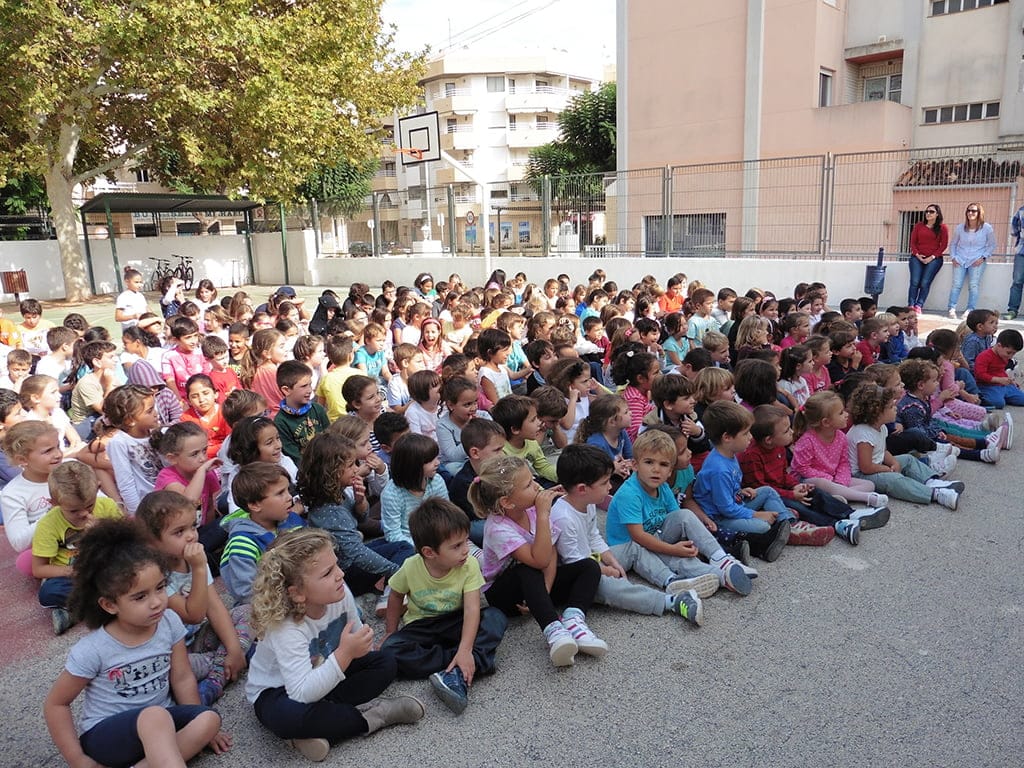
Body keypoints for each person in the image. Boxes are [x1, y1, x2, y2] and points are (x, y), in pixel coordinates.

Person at [42, 518, 227, 768]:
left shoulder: (169, 622)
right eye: (140, 596)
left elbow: (182, 678)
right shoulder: (94, 649)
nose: (156, 602)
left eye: (160, 587)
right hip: (108, 737)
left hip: (161, 725)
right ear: (110, 604)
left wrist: (194, 720)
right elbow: (56, 704)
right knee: (154, 717)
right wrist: (78, 759)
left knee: (208, 719)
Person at [245, 528, 425, 763]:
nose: (340, 574)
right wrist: (344, 654)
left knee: (386, 662)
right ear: (297, 593)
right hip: (280, 691)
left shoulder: (339, 592)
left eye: (336, 565)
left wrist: (360, 646)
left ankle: (315, 727)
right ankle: (372, 717)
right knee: (287, 718)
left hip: (326, 668)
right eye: (328, 572)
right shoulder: (285, 628)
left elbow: (357, 633)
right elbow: (300, 692)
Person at [469, 455, 607, 668]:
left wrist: (545, 590)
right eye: (528, 485)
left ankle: (573, 619)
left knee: (588, 567)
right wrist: (544, 514)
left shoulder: (531, 509)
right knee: (526, 570)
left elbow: (550, 552)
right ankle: (554, 631)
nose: (536, 486)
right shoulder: (498, 528)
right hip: (505, 595)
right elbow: (538, 560)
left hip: (536, 585)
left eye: (533, 479)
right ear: (507, 502)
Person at [380, 498, 508, 714]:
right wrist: (391, 631)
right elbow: (395, 596)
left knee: (495, 617)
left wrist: (465, 648)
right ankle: (470, 662)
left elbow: (471, 609)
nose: (466, 550)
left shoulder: (469, 565)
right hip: (422, 624)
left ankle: (463, 661)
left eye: (466, 541)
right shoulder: (411, 566)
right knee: (389, 651)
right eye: (457, 546)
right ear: (430, 552)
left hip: (456, 622)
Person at [551, 444, 705, 623]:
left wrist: (612, 561)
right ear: (582, 489)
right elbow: (574, 563)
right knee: (611, 588)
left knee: (632, 547)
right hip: (576, 578)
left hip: (590, 562)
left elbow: (593, 536)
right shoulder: (563, 517)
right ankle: (670, 602)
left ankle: (670, 580)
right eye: (604, 483)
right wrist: (607, 570)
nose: (610, 487)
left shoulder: (587, 502)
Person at [137, 490, 251, 706]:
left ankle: (228, 660)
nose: (191, 535)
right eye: (179, 532)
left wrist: (234, 648)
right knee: (170, 674)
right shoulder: (155, 574)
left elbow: (215, 607)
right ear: (152, 542)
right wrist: (199, 568)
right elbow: (194, 615)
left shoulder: (191, 559)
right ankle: (215, 680)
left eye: (192, 527)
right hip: (174, 654)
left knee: (249, 612)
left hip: (198, 640)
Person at [605, 429, 753, 594]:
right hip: (631, 545)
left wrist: (689, 545)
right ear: (635, 465)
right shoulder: (630, 494)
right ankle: (721, 576)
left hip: (656, 535)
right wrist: (674, 549)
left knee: (685, 515)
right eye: (649, 462)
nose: (656, 469)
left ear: (670, 471)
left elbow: (678, 519)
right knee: (675, 557)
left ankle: (720, 558)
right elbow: (638, 537)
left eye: (663, 464)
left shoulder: (663, 487)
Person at [691, 401, 795, 562]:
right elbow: (726, 509)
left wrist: (740, 491)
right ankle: (778, 530)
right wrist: (756, 514)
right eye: (746, 433)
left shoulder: (729, 454)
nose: (751, 437)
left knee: (766, 491)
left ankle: (787, 523)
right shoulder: (719, 469)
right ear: (727, 437)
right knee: (763, 526)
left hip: (734, 504)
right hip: (719, 518)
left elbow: (729, 490)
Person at [32, 461, 123, 634]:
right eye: (73, 511)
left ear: (97, 489)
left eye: (90, 506)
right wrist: (74, 571)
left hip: (108, 568)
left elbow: (127, 544)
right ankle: (113, 603)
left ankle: (78, 611)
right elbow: (39, 569)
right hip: (75, 576)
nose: (84, 514)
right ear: (54, 502)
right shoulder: (48, 524)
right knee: (49, 592)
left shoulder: (108, 506)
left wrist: (102, 531)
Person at [846, 383, 964, 510]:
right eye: (891, 407)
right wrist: (887, 469)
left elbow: (882, 451)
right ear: (876, 413)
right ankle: (935, 494)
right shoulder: (863, 434)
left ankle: (931, 482)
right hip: (861, 475)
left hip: (876, 465)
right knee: (894, 479)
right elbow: (866, 467)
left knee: (908, 459)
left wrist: (893, 462)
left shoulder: (881, 428)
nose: (896, 409)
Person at [220, 462, 306, 603]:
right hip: (269, 608)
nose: (289, 497)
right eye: (280, 493)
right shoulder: (242, 544)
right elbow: (247, 593)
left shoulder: (293, 521)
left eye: (287, 490)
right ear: (254, 505)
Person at [380, 433, 449, 548]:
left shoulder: (436, 480)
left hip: (438, 538)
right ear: (412, 465)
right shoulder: (391, 494)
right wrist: (423, 547)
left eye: (436, 457)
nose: (437, 463)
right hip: (409, 545)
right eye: (430, 460)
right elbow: (393, 534)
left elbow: (446, 515)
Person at [103, 384, 163, 515]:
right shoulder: (119, 443)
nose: (156, 413)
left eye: (154, 407)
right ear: (130, 420)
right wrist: (137, 514)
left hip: (168, 496)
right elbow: (126, 482)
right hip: (148, 507)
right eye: (149, 411)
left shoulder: (156, 432)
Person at [947, 202, 995, 319]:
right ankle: (951, 308)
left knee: (973, 285)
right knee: (956, 285)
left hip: (977, 260)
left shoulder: (987, 228)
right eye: (968, 210)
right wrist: (953, 257)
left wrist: (983, 257)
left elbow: (992, 245)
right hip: (960, 259)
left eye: (973, 211)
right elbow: (953, 244)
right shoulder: (960, 228)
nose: (970, 213)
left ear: (979, 213)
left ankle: (970, 309)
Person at [908, 206, 948, 313]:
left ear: (937, 214)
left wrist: (932, 257)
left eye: (932, 212)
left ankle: (919, 305)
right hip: (917, 257)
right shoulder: (918, 226)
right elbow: (912, 242)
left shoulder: (942, 228)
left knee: (925, 282)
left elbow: (943, 245)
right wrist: (917, 255)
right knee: (914, 282)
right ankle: (911, 305)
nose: (928, 213)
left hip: (934, 259)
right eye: (927, 211)